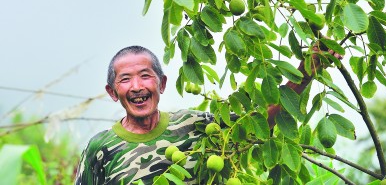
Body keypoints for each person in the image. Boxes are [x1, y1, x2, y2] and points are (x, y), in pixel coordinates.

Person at [74, 45, 329, 184]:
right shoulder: (101, 148)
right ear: (112, 91)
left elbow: (255, 122)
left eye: (145, 76)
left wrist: (305, 73)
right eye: (126, 79)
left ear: (161, 84)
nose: (137, 87)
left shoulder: (194, 125)